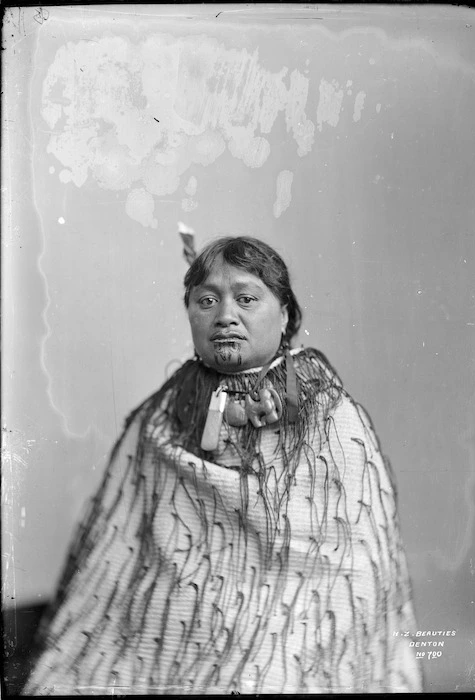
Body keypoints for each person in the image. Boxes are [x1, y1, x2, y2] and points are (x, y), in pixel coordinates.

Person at [23, 236, 423, 694]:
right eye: (206, 301)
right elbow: (134, 532)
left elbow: (346, 552)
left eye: (247, 299)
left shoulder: (326, 412)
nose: (224, 316)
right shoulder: (168, 411)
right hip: (178, 608)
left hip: (293, 605)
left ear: (286, 315)